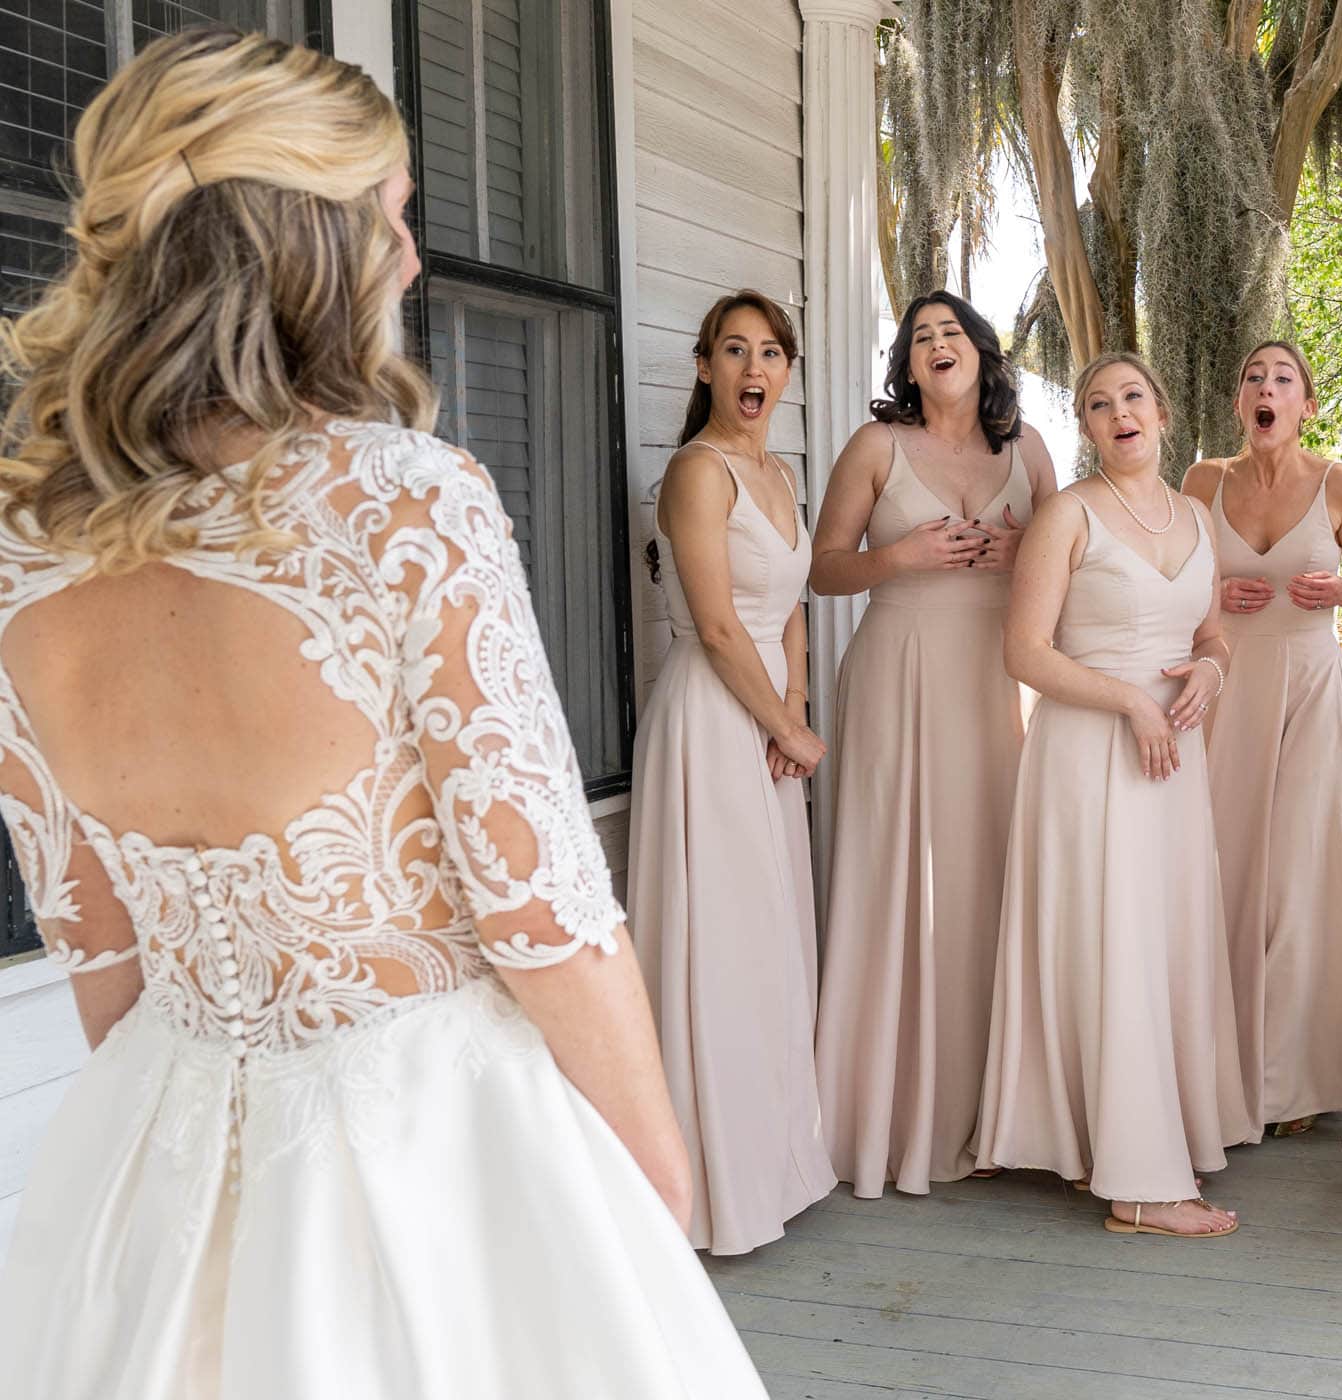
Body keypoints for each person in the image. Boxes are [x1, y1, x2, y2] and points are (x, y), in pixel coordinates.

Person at [0, 29, 763, 1396]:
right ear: (306, 241)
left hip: (158, 1138)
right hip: (436, 1151)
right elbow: (546, 923)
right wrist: (656, 1199)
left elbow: (98, 949)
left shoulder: (22, 548)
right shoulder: (403, 500)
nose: (412, 259)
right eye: (394, 217)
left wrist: (193, 1163)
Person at [974, 351, 1257, 1238]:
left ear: (1163, 413)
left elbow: (1211, 631)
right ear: (1087, 428)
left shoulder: (1197, 519)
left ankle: (1152, 1133)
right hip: (1092, 753)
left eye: (1133, 395)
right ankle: (1135, 1184)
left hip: (1174, 763)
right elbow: (1026, 653)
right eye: (1098, 404)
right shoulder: (1068, 515)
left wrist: (1211, 669)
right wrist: (1133, 699)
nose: (1117, 413)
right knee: (1114, 940)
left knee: (1159, 939)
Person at [811, 290, 1056, 1197]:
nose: (936, 345)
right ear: (907, 367)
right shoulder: (875, 448)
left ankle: (993, 1116)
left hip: (993, 683)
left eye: (951, 332)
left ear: (984, 355)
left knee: (984, 876)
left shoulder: (1027, 450)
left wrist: (1019, 554)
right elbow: (824, 566)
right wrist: (898, 559)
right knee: (895, 877)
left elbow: (1071, 559)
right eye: (920, 339)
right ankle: (884, 1112)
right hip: (898, 670)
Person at [626, 287, 835, 1254]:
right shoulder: (695, 472)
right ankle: (710, 1187)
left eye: (772, 354)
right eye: (736, 352)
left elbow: (788, 607)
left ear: (787, 371)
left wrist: (793, 713)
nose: (757, 370)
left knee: (767, 941)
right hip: (710, 720)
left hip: (762, 722)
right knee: (721, 940)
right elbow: (715, 625)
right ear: (705, 367)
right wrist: (779, 728)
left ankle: (773, 1166)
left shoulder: (782, 474)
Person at [1181, 341, 1342, 1137]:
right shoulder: (1202, 481)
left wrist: (1340, 590)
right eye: (1253, 378)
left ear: (1308, 404)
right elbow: (1176, 574)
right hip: (1228, 688)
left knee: (1302, 873)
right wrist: (1213, 591)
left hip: (1311, 687)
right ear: (1239, 404)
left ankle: (1294, 1079)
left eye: (1284, 378)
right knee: (1226, 867)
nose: (1266, 388)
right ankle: (1223, 1058)